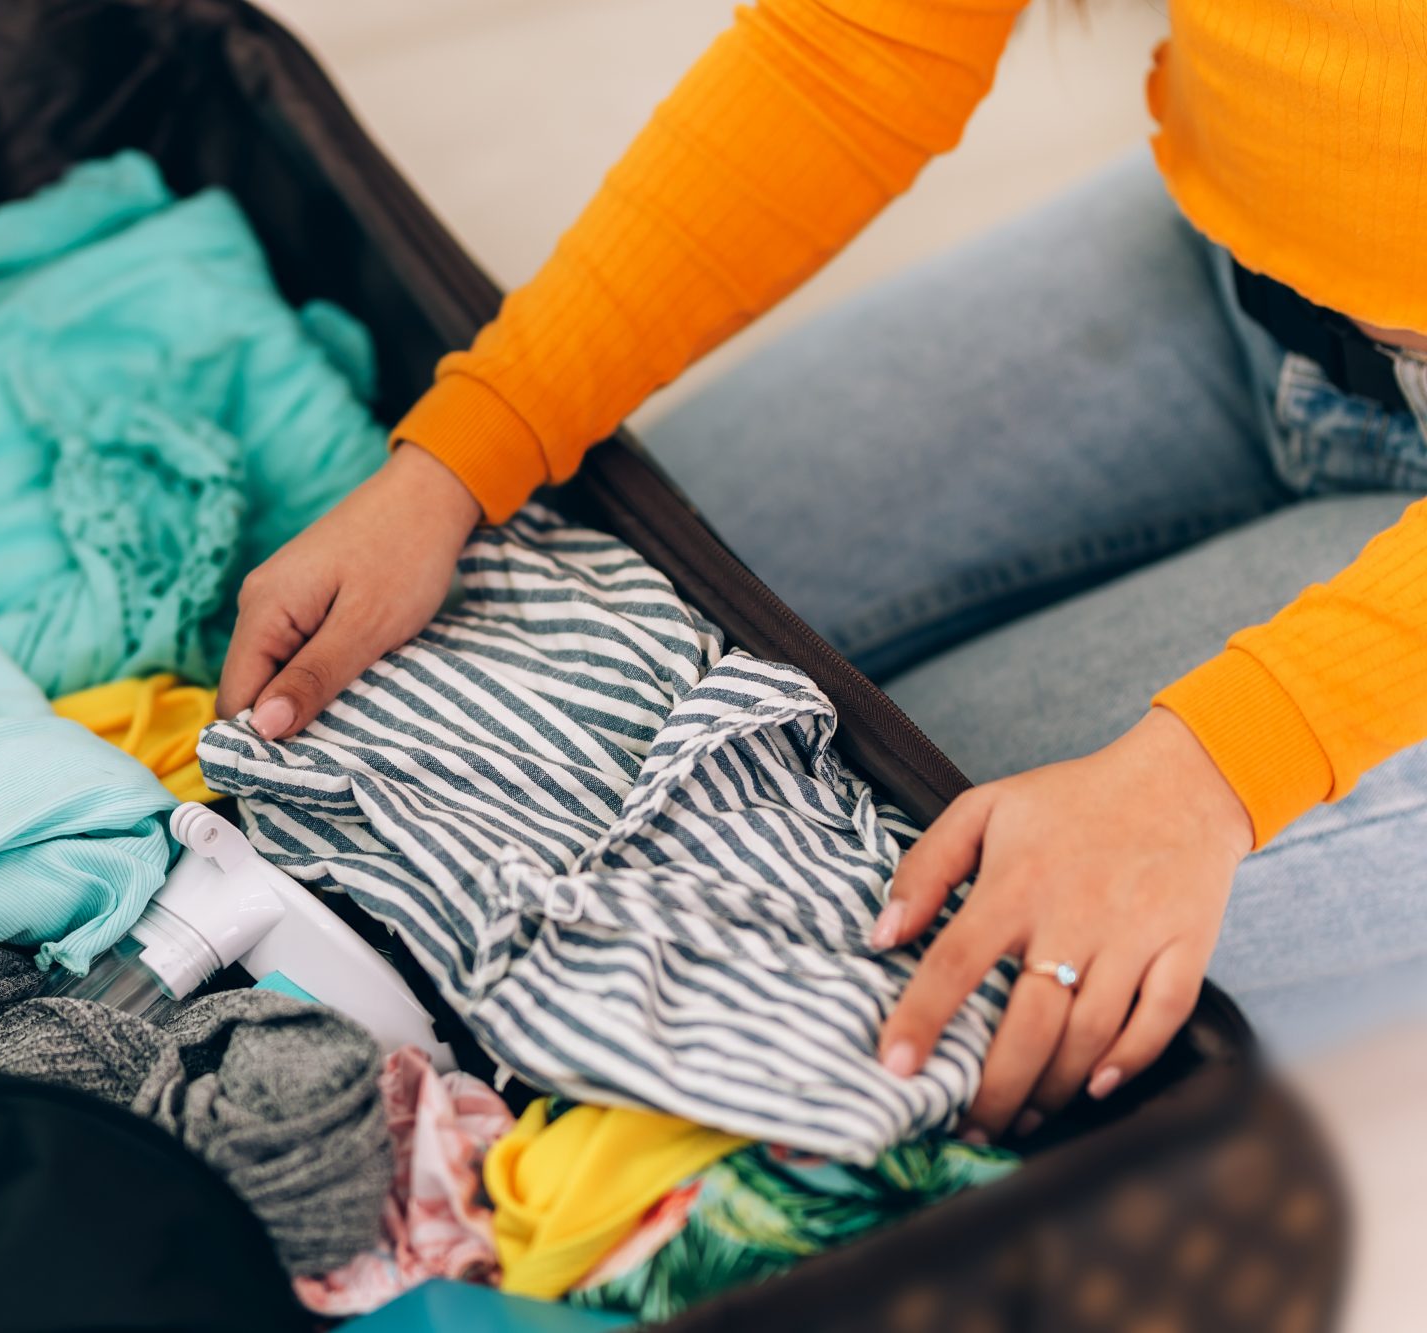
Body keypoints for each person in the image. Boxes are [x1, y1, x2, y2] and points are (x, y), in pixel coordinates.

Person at [216, 0, 1427, 1142]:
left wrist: (1211, 771)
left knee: (886, 898)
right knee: (603, 615)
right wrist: (467, 451)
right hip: (1256, 283)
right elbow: (854, 47)